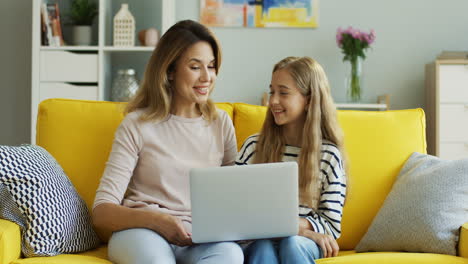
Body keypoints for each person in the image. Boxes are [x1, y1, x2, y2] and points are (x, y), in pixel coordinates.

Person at [92, 20, 243, 264]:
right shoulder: (137, 124)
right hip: (142, 233)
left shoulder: (220, 122)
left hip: (199, 238)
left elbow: (232, 197)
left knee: (231, 255)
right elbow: (101, 212)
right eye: (195, 67)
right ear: (169, 70)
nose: (207, 77)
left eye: (212, 66)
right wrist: (158, 220)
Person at [236, 56, 347, 264]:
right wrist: (299, 230)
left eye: (283, 93)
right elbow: (234, 210)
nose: (273, 101)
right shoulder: (253, 147)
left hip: (300, 245)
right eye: (272, 92)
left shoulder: (329, 156)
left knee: (291, 243)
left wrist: (293, 231)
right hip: (259, 241)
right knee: (263, 246)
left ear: (309, 100)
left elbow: (331, 225)